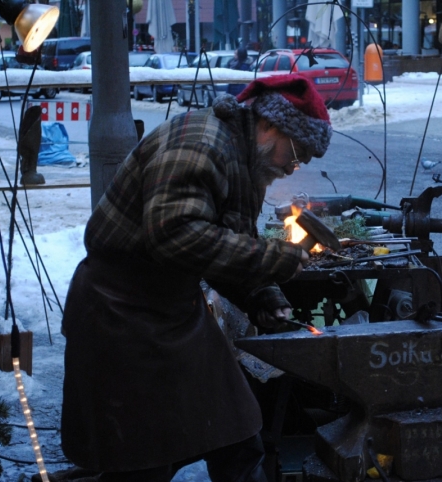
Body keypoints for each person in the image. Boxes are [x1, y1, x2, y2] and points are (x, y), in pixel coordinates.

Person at [61, 74, 332, 482]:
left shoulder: (243, 159)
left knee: (236, 433)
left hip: (171, 308)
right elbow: (175, 235)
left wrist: (261, 292)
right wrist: (270, 258)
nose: (291, 167)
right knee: (142, 460)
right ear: (269, 125)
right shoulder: (202, 143)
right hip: (121, 314)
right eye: (294, 153)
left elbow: (230, 237)